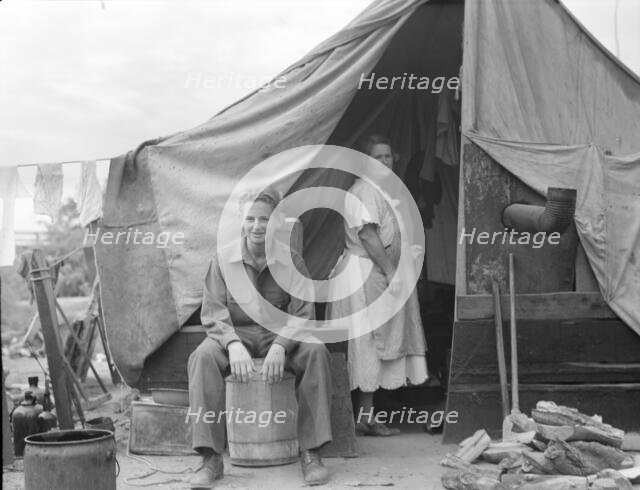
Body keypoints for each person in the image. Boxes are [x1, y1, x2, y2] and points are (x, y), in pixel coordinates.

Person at [188, 190, 333, 488]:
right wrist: (231, 343)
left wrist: (282, 345)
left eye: (264, 219)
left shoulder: (292, 260)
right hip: (237, 333)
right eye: (250, 219)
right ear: (241, 221)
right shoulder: (223, 259)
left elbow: (304, 312)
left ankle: (311, 452)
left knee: (316, 351)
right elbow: (213, 312)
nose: (257, 226)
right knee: (202, 357)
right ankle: (210, 458)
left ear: (276, 222)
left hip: (279, 335)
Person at [327, 134, 428, 437]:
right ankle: (361, 418)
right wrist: (391, 272)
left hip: (373, 271)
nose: (384, 162)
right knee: (368, 342)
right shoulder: (364, 191)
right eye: (377, 158)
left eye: (388, 156)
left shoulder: (380, 191)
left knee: (374, 342)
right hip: (366, 274)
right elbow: (369, 236)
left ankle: (366, 417)